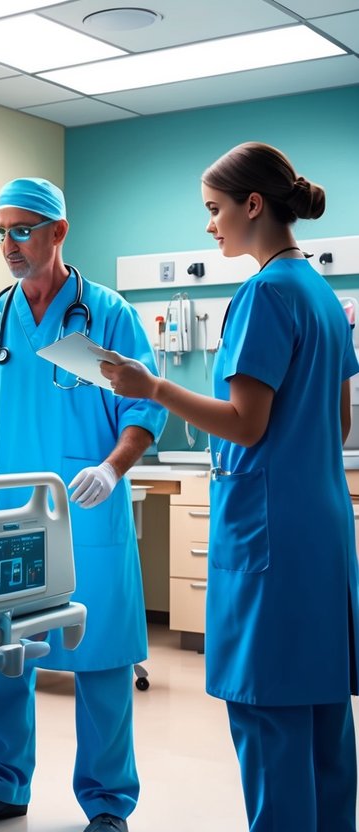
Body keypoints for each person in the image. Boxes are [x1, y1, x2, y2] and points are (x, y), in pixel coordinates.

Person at [99, 142, 358, 832]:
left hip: (270, 539)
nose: (208, 226)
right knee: (322, 718)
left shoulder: (265, 293)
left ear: (251, 205)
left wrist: (150, 386)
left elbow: (245, 424)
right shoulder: (323, 298)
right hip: (320, 529)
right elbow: (336, 424)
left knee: (269, 713)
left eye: (213, 211)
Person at [0, 178, 166, 832]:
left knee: (102, 662)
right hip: (10, 514)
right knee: (5, 656)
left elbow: (142, 409)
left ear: (56, 232)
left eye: (20, 230)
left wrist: (111, 466)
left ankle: (105, 804)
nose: (7, 244)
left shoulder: (105, 316)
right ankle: (1, 786)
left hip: (87, 512)